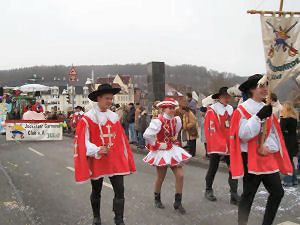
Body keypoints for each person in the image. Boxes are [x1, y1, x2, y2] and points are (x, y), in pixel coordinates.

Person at [230, 74, 293, 225]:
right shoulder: (241, 110)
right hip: (250, 159)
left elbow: (273, 134)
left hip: (266, 158)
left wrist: (268, 147)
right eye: (262, 86)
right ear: (252, 89)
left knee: (278, 192)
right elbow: (244, 135)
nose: (266, 89)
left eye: (266, 86)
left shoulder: (267, 108)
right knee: (248, 196)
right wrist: (258, 118)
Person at [74, 84, 136, 225]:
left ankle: (119, 219)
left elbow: (121, 140)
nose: (110, 101)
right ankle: (97, 217)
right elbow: (83, 141)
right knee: (96, 190)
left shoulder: (113, 117)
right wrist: (96, 150)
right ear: (98, 98)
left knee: (120, 191)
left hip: (114, 159)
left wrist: (124, 157)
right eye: (107, 98)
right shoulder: (88, 118)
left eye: (111, 98)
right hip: (98, 159)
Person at [143, 98, 192, 215]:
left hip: (173, 150)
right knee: (161, 177)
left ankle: (178, 202)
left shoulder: (177, 120)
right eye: (169, 108)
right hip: (162, 152)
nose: (172, 110)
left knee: (180, 175)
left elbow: (174, 134)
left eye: (173, 108)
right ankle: (157, 198)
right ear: (163, 109)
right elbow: (147, 135)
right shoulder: (158, 121)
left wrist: (174, 141)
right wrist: (157, 144)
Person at [203, 87, 240, 204]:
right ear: (219, 97)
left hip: (230, 144)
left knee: (233, 169)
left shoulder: (231, 110)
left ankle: (234, 194)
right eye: (225, 96)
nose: (227, 99)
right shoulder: (212, 110)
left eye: (229, 97)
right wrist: (220, 143)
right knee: (213, 168)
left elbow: (234, 126)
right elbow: (210, 129)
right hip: (217, 144)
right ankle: (208, 189)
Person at [280, 102, 299, 186]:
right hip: (293, 141)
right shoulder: (294, 119)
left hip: (287, 141)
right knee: (290, 160)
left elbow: (281, 129)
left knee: (288, 161)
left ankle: (288, 179)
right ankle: (293, 178)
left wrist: (281, 119)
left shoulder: (285, 119)